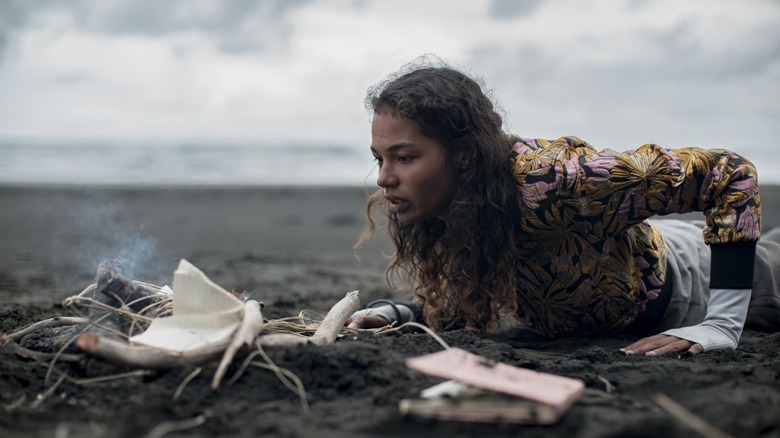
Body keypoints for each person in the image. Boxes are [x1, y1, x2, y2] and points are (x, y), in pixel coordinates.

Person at [347, 58, 780, 357]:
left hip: (697, 281)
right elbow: (477, 294)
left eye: (404, 158)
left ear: (463, 153)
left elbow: (728, 172)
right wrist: (406, 312)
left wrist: (721, 324)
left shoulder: (554, 180)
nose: (384, 178)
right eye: (379, 159)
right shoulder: (451, 204)